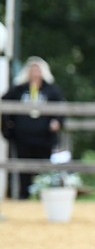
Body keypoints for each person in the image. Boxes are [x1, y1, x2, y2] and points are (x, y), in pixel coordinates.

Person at [2, 57, 67, 200]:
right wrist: (8, 125)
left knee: (43, 166)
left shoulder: (51, 90)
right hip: (23, 136)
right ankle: (23, 195)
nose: (35, 73)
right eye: (32, 70)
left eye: (37, 70)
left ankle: (41, 195)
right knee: (23, 168)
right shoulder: (19, 89)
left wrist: (57, 121)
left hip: (44, 136)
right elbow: (5, 103)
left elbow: (61, 108)